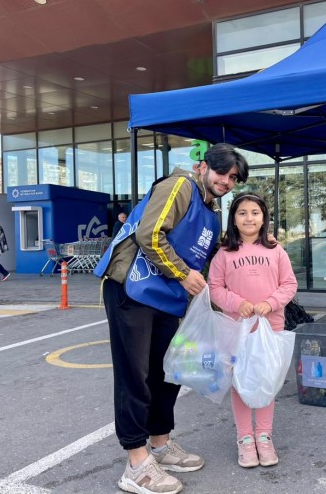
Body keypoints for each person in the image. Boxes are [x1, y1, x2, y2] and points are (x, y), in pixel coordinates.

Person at [94, 144, 249, 494]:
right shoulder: (180, 187)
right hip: (131, 289)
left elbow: (208, 257)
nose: (227, 181)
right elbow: (149, 234)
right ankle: (136, 462)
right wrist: (182, 275)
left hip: (165, 297)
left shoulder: (211, 211)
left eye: (234, 178)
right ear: (203, 166)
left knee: (167, 372)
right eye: (223, 172)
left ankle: (160, 445)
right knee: (135, 375)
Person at [208, 192, 298, 469]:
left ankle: (264, 436)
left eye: (255, 213)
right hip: (237, 329)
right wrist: (238, 303)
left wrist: (270, 303)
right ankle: (245, 438)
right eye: (242, 212)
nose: (249, 218)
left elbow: (289, 284)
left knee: (267, 382)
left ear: (264, 218)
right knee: (242, 383)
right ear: (233, 219)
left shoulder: (275, 250)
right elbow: (215, 287)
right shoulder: (224, 253)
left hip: (270, 327)